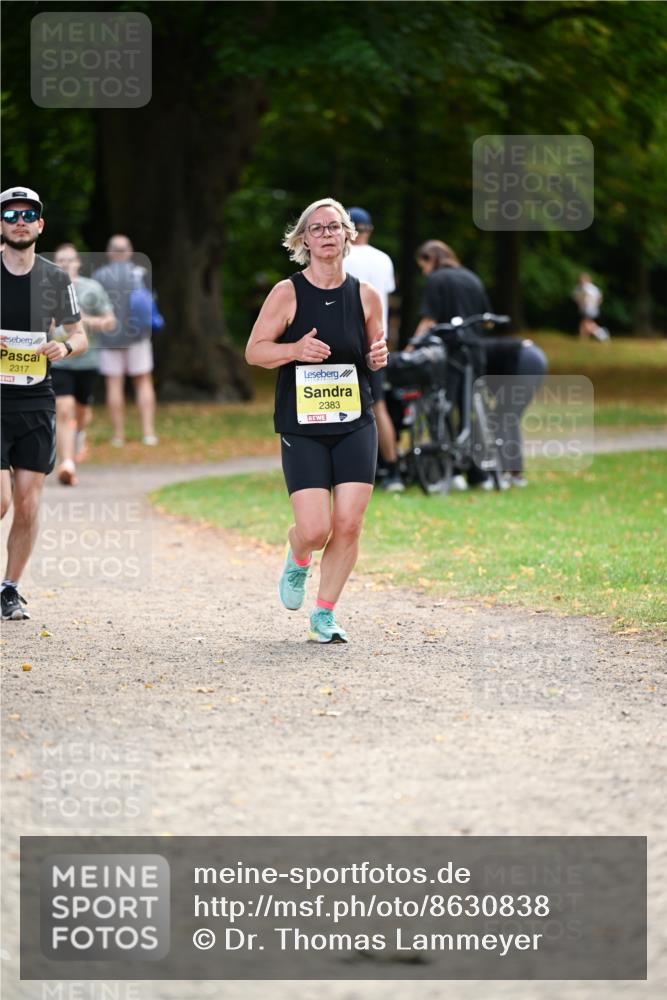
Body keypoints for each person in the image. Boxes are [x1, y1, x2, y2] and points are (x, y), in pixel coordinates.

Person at [245, 197, 387, 643]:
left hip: (355, 422)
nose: (326, 234)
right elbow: (255, 352)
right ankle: (298, 554)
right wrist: (293, 350)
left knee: (348, 523)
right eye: (317, 228)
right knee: (315, 528)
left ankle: (324, 614)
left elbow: (374, 352)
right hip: (302, 427)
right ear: (304, 239)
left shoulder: (366, 295)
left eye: (334, 227)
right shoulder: (287, 293)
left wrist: (379, 356)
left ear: (350, 235)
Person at [0, 186, 88, 620]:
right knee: (0, 500)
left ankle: (9, 588)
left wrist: (64, 349)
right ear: (1, 223)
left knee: (29, 502)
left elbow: (79, 334)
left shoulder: (55, 278)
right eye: (10, 214)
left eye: (27, 214)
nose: (19, 221)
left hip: (35, 399)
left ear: (39, 224)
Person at [415, 239, 546, 488]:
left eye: (423, 265)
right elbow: (487, 322)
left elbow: (429, 319)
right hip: (504, 355)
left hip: (494, 357)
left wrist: (412, 346)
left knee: (486, 413)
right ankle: (495, 473)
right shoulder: (471, 278)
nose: (424, 272)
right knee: (495, 415)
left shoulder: (437, 279)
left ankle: (491, 472)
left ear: (431, 259)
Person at [343, 207, 402, 491]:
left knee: (341, 406)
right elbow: (386, 298)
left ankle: (347, 471)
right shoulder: (384, 259)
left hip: (349, 341)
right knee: (378, 406)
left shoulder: (341, 258)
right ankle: (392, 468)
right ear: (369, 230)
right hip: (378, 341)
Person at [51, 243, 116, 485]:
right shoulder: (46, 287)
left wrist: (82, 321)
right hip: (59, 361)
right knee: (63, 408)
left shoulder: (92, 288)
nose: (66, 264)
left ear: (78, 263)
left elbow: (110, 322)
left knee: (81, 412)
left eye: (70, 260)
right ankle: (67, 463)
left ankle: (79, 435)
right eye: (61, 260)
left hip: (87, 361)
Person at [92, 234, 158, 446]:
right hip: (138, 337)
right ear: (129, 251)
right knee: (143, 382)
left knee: (114, 385)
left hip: (109, 339)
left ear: (110, 252)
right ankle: (148, 433)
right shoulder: (140, 273)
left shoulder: (99, 276)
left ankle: (118, 436)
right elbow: (150, 305)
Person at [573, 273, 609, 341]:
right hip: (584, 308)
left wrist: (593, 304)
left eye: (583, 279)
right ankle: (584, 338)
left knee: (586, 323)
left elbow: (599, 298)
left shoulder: (590, 288)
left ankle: (602, 335)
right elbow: (576, 297)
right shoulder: (580, 287)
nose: (581, 281)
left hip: (590, 308)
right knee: (585, 323)